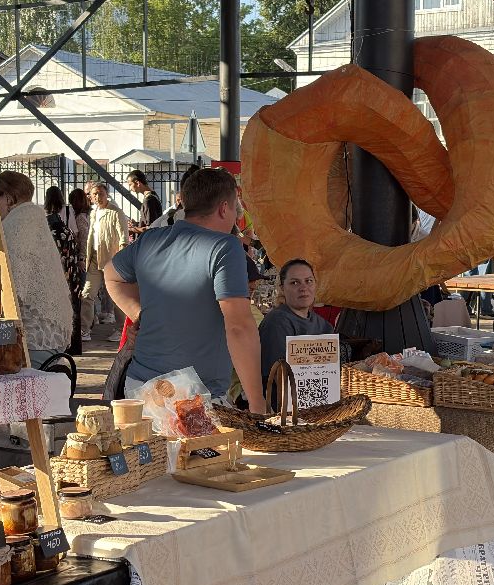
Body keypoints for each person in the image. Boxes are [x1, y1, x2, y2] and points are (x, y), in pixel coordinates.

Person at [106, 167, 268, 413]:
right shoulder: (225, 247)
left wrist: (139, 313)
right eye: (236, 207)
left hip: (141, 388)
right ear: (224, 208)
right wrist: (257, 403)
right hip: (195, 397)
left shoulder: (151, 239)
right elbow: (239, 326)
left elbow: (111, 275)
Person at [0, 171, 71, 366]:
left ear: (8, 198)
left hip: (35, 334)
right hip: (50, 328)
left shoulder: (18, 223)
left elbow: (14, 284)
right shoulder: (33, 217)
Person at [257, 259, 338, 386]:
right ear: (282, 288)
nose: (303, 288)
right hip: (283, 397)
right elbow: (277, 376)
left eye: (309, 281)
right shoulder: (276, 323)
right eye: (295, 282)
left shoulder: (324, 325)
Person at [82, 182, 128, 339]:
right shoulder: (93, 213)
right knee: (87, 294)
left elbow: (123, 238)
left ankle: (122, 330)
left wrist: (120, 259)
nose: (97, 197)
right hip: (94, 258)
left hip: (111, 260)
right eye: (94, 194)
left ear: (107, 194)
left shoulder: (116, 212)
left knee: (116, 295)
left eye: (100, 193)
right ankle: (84, 329)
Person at [45, 186, 86, 354]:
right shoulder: (68, 215)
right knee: (73, 305)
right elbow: (76, 234)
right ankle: (74, 344)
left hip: (56, 269)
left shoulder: (45, 221)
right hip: (71, 267)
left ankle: (59, 342)